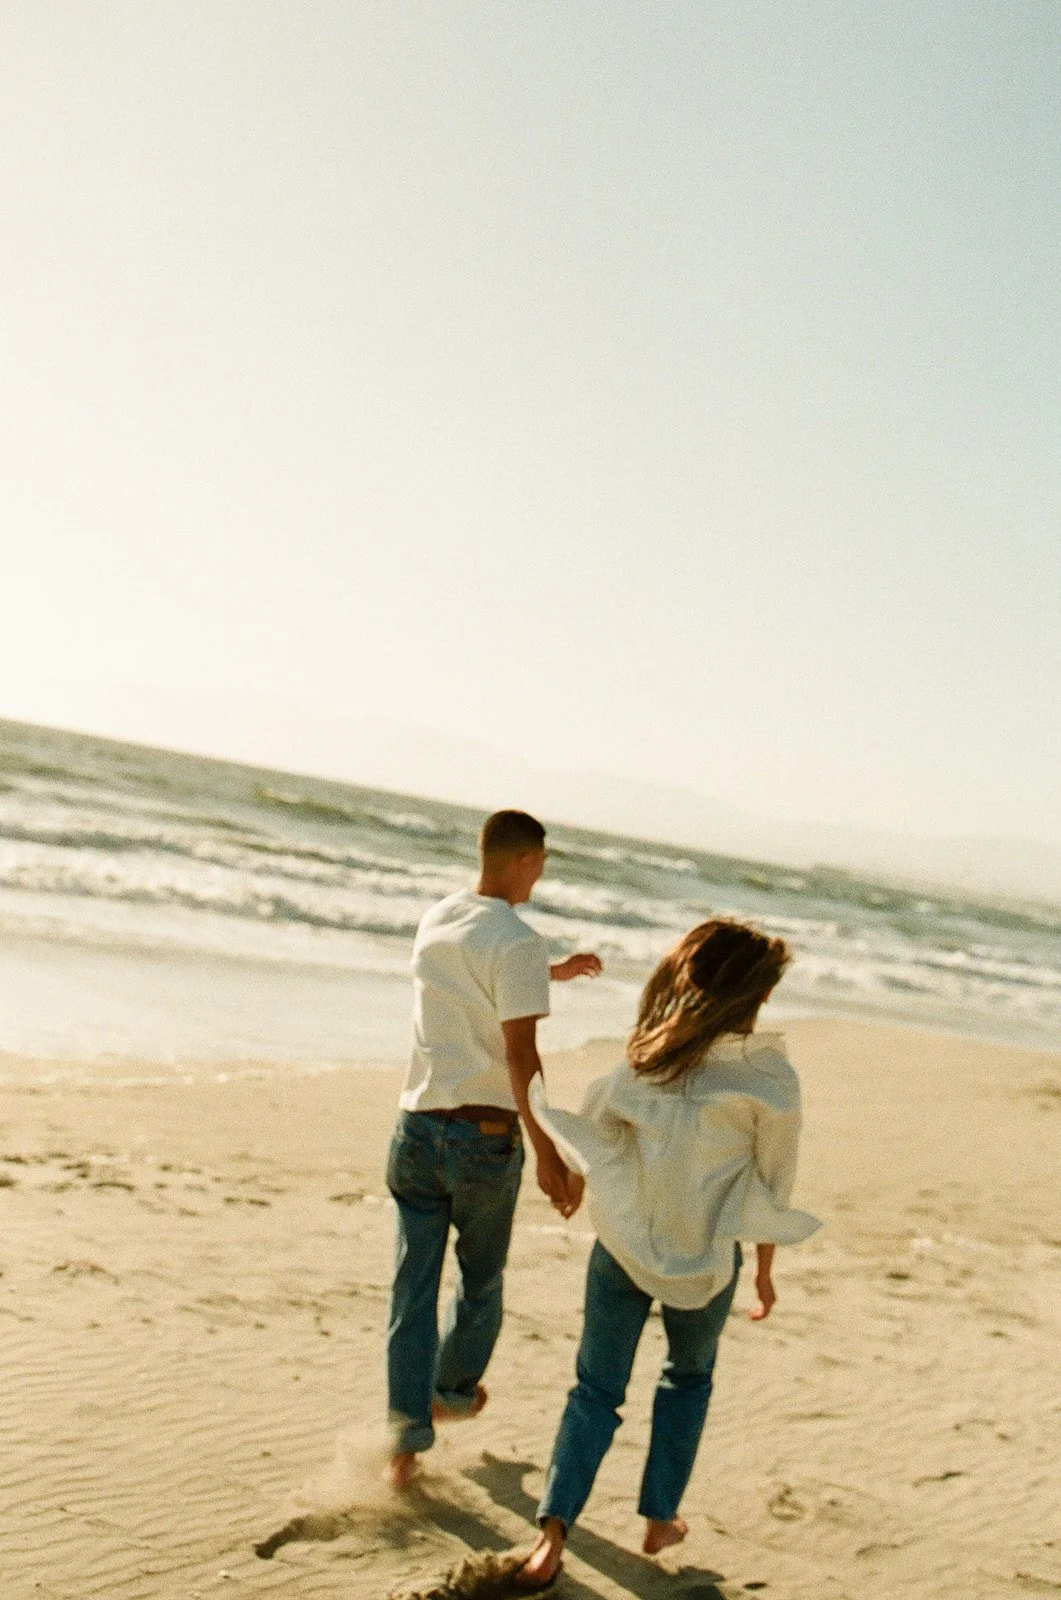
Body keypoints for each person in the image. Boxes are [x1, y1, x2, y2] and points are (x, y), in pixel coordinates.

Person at [516, 918, 820, 1586]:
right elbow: (774, 1186)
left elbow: (593, 1132)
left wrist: (569, 1181)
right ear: (753, 997)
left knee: (594, 1389)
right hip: (705, 1259)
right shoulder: (769, 1079)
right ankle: (658, 1518)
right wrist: (765, 1272)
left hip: (622, 1245)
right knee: (687, 1378)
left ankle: (551, 1537)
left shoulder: (645, 1058)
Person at [385, 809, 602, 1490]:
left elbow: (474, 979)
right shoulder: (517, 942)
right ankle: (448, 1395)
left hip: (415, 1127)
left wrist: (553, 972)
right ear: (526, 860)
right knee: (479, 1283)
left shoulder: (440, 917)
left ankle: (403, 1449)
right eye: (539, 864)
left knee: (411, 1292)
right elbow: (519, 1052)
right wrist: (547, 1149)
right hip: (482, 1138)